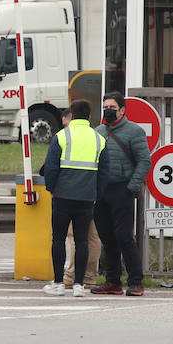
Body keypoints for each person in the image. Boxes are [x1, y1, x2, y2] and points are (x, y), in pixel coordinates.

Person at [41, 99, 109, 297]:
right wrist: (97, 194)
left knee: (59, 239)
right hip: (87, 198)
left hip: (62, 196)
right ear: (89, 116)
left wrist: (51, 188)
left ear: (71, 115)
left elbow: (51, 167)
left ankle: (58, 284)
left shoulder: (62, 136)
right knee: (82, 241)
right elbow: (104, 172)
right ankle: (79, 284)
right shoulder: (98, 139)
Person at [93, 91, 150, 296]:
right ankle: (113, 281)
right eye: (105, 108)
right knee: (107, 238)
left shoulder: (134, 132)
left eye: (112, 108)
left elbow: (145, 161)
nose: (108, 111)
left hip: (122, 189)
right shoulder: (98, 131)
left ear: (122, 110)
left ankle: (136, 281)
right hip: (101, 191)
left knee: (124, 237)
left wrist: (131, 187)